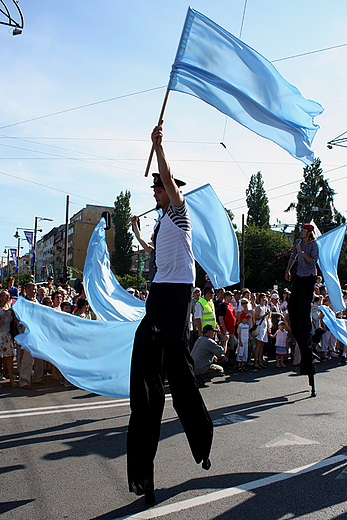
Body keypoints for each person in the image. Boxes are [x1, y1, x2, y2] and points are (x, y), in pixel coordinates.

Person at [127, 123, 213, 504]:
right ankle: (144, 474)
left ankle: (201, 441)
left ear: (170, 190)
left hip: (180, 291)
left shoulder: (180, 213)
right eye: (156, 188)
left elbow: (167, 179)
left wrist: (158, 147)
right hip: (160, 292)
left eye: (159, 186)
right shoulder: (163, 224)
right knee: (145, 368)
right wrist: (136, 233)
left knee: (177, 366)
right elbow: (152, 253)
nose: (157, 190)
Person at [285, 223, 319, 396]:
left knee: (304, 309)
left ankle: (308, 335)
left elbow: (312, 261)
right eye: (302, 230)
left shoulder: (313, 245)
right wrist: (288, 269)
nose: (302, 232)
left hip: (310, 279)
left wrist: (302, 250)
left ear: (309, 233)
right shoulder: (298, 242)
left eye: (304, 231)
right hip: (299, 277)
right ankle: (300, 330)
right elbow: (293, 256)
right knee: (292, 304)